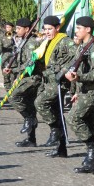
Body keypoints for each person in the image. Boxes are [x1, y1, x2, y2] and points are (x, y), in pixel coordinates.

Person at [65, 16, 94, 174]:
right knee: (89, 124)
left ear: (88, 29)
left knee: (73, 118)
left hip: (93, 90)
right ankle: (93, 163)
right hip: (83, 91)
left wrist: (79, 78)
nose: (76, 31)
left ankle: (93, 149)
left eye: (79, 28)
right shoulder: (81, 47)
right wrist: (75, 91)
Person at [34, 16, 76, 157]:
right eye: (45, 29)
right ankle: (61, 148)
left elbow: (75, 58)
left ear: (57, 28)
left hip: (59, 83)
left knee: (40, 103)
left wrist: (62, 71)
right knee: (57, 113)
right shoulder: (47, 42)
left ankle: (55, 130)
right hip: (48, 81)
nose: (47, 32)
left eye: (50, 29)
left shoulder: (65, 41)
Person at [5, 18, 43, 147]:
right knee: (30, 106)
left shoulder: (32, 43)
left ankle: (29, 119)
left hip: (33, 78)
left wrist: (15, 70)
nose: (16, 30)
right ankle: (31, 139)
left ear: (27, 29)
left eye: (19, 28)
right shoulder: (24, 42)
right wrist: (16, 74)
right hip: (26, 77)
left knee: (13, 97)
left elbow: (30, 63)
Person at [1, 22, 18, 90]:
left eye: (9, 27)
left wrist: (13, 39)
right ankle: (8, 93)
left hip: (14, 59)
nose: (7, 29)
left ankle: (13, 94)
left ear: (12, 28)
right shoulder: (3, 36)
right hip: (5, 59)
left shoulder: (16, 35)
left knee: (13, 77)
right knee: (6, 78)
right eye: (6, 27)